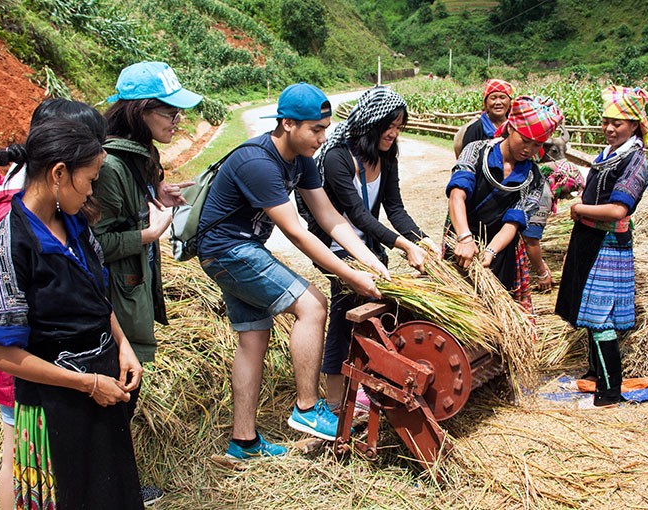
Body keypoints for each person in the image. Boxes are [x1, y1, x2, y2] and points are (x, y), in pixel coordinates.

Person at [196, 82, 388, 459]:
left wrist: (370, 261)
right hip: (227, 250)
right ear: (287, 123)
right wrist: (352, 277)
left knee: (253, 340)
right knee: (313, 305)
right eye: (315, 130)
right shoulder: (258, 162)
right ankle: (307, 408)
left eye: (325, 129)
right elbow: (297, 233)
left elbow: (329, 217)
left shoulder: (301, 161)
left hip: (237, 249)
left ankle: (243, 442)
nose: (322, 138)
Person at [0, 119, 144, 508]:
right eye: (90, 179)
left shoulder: (75, 224)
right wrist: (88, 384)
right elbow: (5, 357)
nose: (93, 189)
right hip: (54, 409)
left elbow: (96, 294)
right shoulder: (5, 250)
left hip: (101, 390)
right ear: (59, 173)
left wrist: (123, 344)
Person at [92, 60, 200, 504]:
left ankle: (118, 485)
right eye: (169, 114)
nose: (178, 122)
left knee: (125, 392)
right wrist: (149, 233)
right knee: (118, 390)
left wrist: (160, 195)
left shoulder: (139, 156)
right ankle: (115, 488)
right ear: (140, 111)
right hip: (116, 294)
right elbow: (96, 241)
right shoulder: (113, 164)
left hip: (132, 288)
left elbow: (132, 206)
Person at [312, 86, 436, 410]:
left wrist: (420, 239)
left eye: (399, 126)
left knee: (376, 314)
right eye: (389, 126)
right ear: (371, 122)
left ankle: (367, 385)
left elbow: (394, 208)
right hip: (339, 249)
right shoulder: (339, 158)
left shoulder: (386, 157)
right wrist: (403, 246)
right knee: (344, 316)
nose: (394, 133)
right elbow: (358, 215)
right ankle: (336, 400)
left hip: (369, 250)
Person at [555, 85, 648, 408]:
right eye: (606, 121)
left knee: (600, 319)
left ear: (635, 125)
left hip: (609, 244)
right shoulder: (610, 155)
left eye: (618, 123)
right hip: (590, 240)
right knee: (588, 312)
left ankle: (609, 394)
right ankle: (595, 376)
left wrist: (579, 209)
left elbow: (618, 209)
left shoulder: (636, 162)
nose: (610, 128)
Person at [443, 95, 564, 313]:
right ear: (510, 128)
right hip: (460, 240)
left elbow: (513, 223)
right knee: (455, 305)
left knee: (492, 312)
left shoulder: (534, 179)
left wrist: (489, 252)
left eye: (537, 145)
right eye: (524, 140)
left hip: (499, 252)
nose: (529, 150)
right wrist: (464, 237)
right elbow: (457, 194)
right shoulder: (476, 151)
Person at [522, 159, 585, 292]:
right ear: (559, 179)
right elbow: (530, 239)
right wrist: (542, 271)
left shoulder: (532, 179)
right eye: (571, 188)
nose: (568, 195)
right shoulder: (543, 194)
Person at [453, 79, 515, 158]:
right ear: (485, 103)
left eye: (502, 98)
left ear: (509, 102)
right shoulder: (476, 129)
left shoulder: (514, 127)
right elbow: (466, 160)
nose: (498, 102)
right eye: (493, 98)